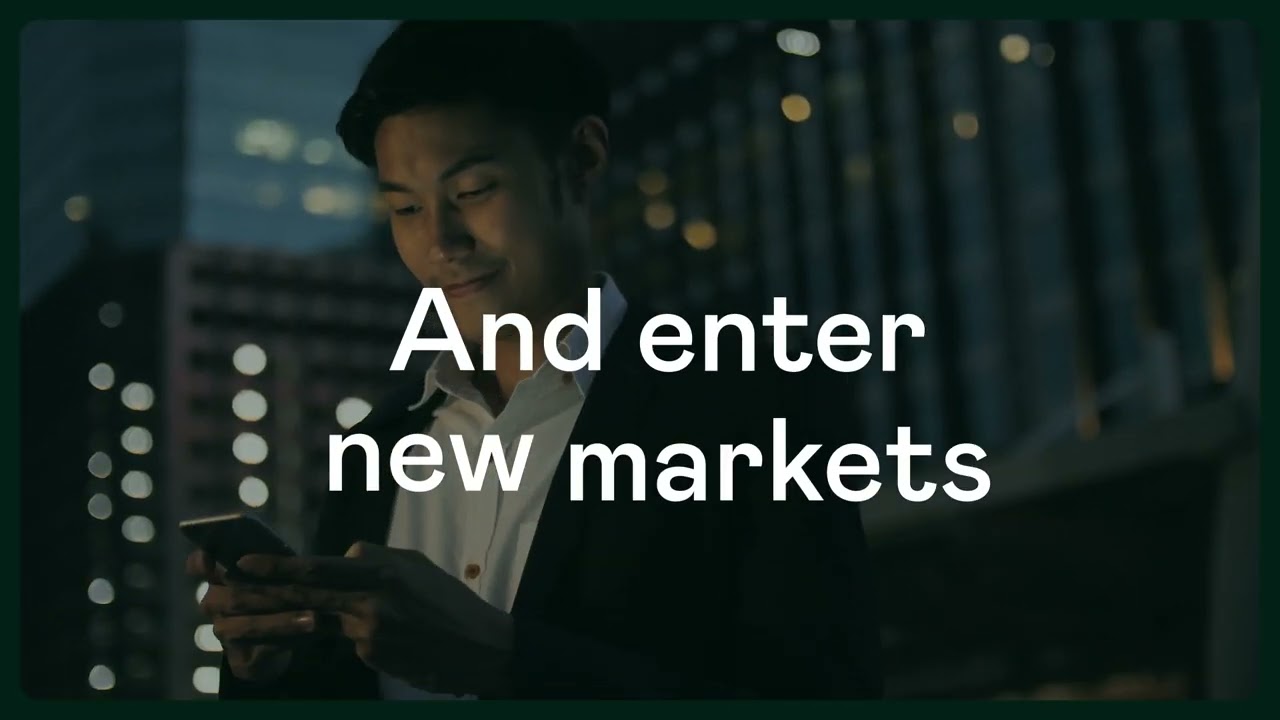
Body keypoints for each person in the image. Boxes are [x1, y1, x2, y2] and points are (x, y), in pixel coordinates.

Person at [189, 20, 883, 700]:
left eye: (472, 193)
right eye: (404, 209)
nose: (441, 241)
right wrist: (268, 667)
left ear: (581, 159)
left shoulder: (754, 407)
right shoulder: (376, 448)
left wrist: (505, 661)